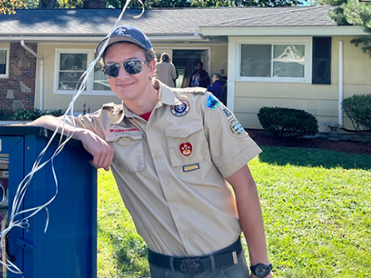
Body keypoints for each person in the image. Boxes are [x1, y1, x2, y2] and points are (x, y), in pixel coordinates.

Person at [30, 25, 273, 278]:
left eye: (132, 65)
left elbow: (244, 184)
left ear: (151, 66)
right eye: (112, 68)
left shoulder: (200, 106)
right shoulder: (105, 122)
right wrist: (83, 134)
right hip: (165, 270)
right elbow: (41, 122)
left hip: (225, 267)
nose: (122, 74)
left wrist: (261, 266)